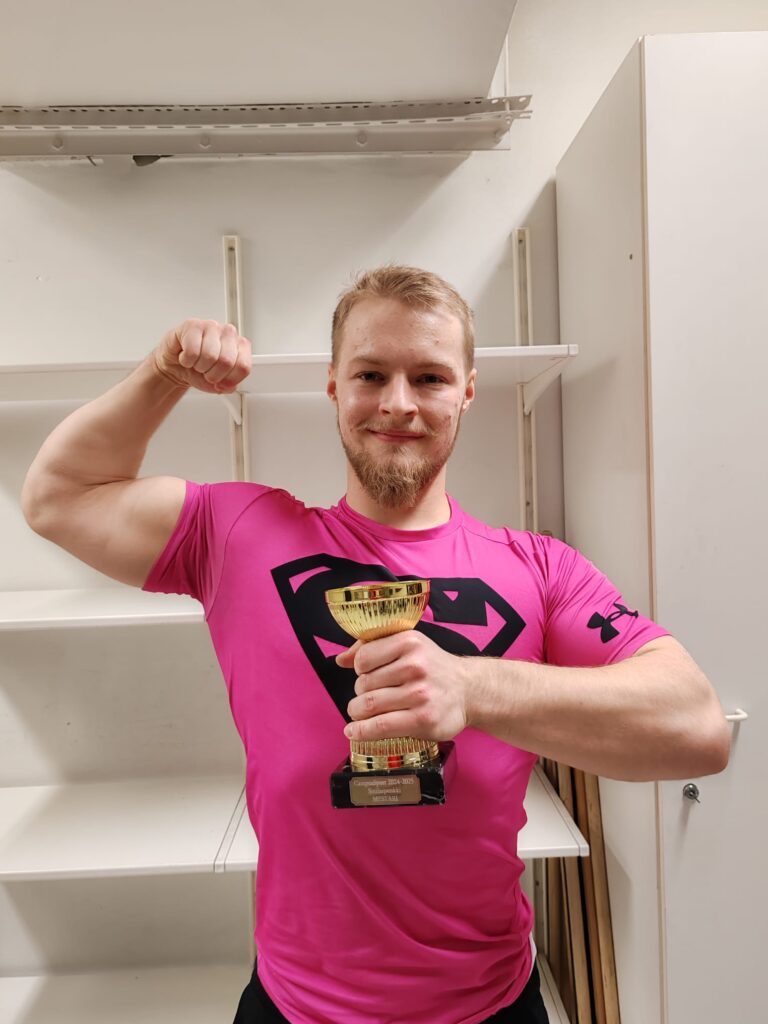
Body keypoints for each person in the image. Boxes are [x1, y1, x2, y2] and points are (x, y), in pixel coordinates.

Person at [21, 266, 730, 1024]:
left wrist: (477, 690)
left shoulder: (538, 567)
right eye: (371, 374)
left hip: (490, 1007)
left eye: (429, 377)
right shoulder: (239, 536)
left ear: (467, 392)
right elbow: (57, 497)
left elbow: (698, 729)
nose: (398, 403)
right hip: (294, 1007)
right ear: (333, 385)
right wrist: (161, 375)